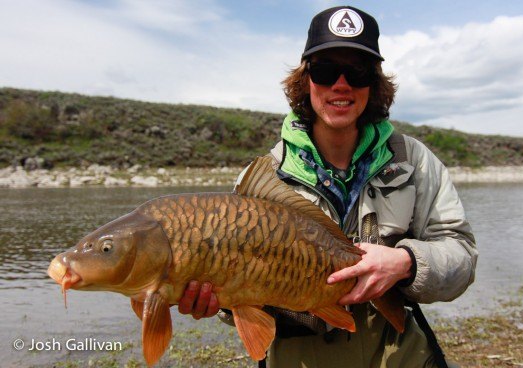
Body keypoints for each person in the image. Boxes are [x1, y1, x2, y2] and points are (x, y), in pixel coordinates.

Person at [178, 5, 478, 368]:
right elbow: (239, 302)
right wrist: (220, 302)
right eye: (324, 70)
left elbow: (461, 257)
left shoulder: (414, 161)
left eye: (357, 71)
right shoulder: (261, 179)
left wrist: (406, 262)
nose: (341, 84)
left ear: (374, 81)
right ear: (305, 80)